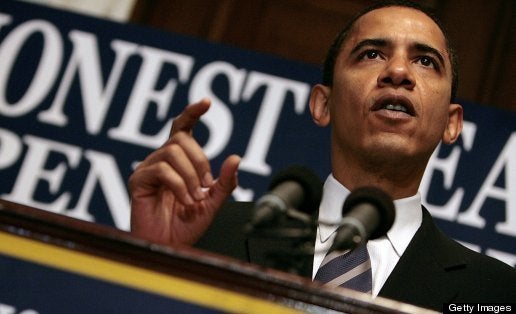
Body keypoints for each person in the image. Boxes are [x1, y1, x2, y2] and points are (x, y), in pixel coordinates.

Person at [127, 1, 516, 311]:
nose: (398, 71)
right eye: (371, 54)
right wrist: (151, 259)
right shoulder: (209, 233)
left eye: (425, 61)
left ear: (452, 124)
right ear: (322, 104)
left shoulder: (497, 293)